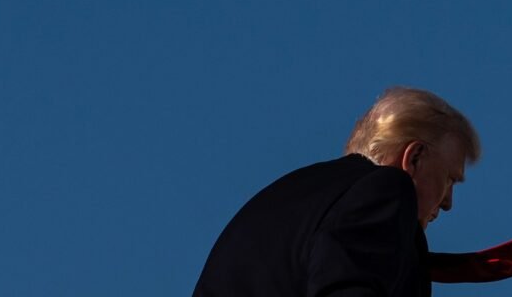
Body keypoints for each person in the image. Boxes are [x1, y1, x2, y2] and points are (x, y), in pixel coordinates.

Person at [192, 87, 480, 297]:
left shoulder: (289, 196)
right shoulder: (387, 189)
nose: (448, 202)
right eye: (449, 179)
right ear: (414, 158)